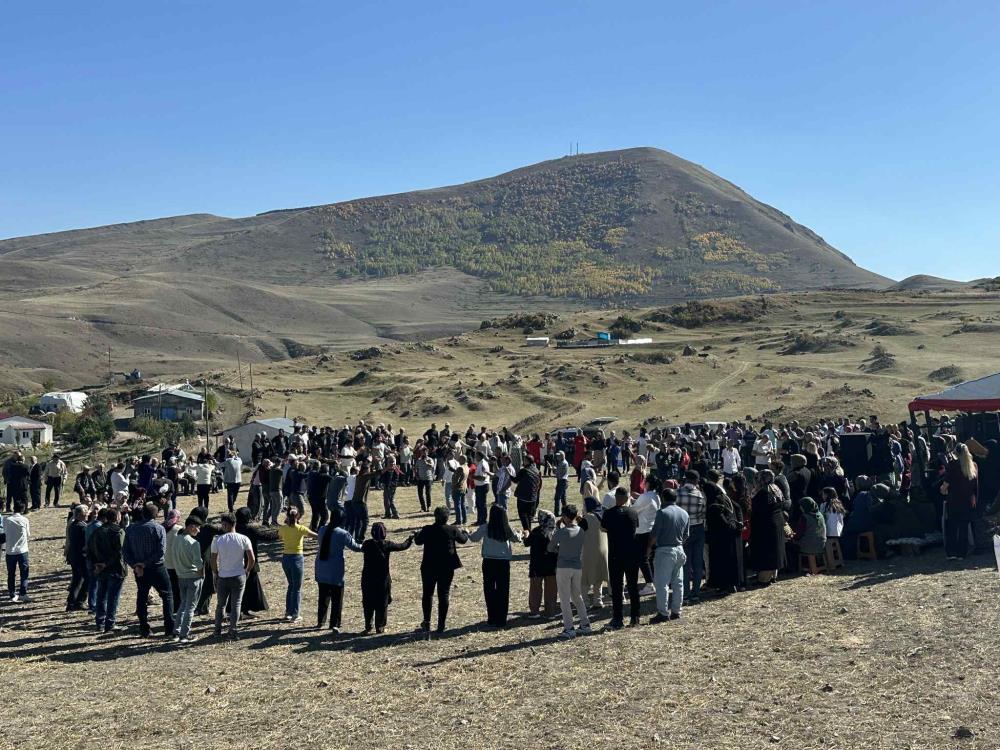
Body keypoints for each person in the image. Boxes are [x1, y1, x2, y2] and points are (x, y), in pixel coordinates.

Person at [414, 506, 469, 634]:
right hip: (446, 567)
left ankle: (427, 622)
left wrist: (417, 534)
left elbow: (418, 541)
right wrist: (466, 532)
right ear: (447, 517)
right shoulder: (452, 530)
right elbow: (463, 540)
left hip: (429, 566)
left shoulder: (427, 529)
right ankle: (441, 625)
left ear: (435, 516)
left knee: (427, 594)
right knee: (443, 594)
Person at [123, 501, 175, 637]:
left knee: (142, 596)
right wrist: (145, 564)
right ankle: (169, 628)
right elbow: (161, 551)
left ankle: (144, 628)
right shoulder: (158, 528)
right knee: (167, 596)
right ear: (156, 515)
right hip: (157, 567)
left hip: (139, 570)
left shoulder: (131, 529)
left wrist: (136, 565)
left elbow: (126, 552)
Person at [469, 502, 521, 629]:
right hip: (503, 563)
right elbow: (517, 539)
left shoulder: (486, 527)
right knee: (503, 590)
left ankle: (491, 618)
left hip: (489, 562)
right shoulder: (507, 528)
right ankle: (501, 619)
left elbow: (474, 538)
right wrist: (520, 533)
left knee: (489, 590)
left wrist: (467, 532)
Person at [315, 507, 362, 634]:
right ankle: (334, 623)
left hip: (321, 568)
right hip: (335, 571)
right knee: (337, 598)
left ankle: (320, 621)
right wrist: (367, 545)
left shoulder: (322, 529)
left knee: (323, 596)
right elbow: (356, 547)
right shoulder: (342, 534)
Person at [360, 522, 413, 634]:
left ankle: (368, 626)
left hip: (368, 578)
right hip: (382, 578)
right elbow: (402, 546)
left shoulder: (367, 544)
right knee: (382, 602)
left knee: (368, 602)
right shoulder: (387, 545)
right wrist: (409, 539)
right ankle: (380, 626)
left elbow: (361, 548)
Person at [548, 504, 591, 638]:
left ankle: (569, 627)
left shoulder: (561, 532)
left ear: (565, 517)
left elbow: (550, 548)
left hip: (563, 567)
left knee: (565, 599)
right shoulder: (581, 531)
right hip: (577, 567)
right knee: (577, 596)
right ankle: (585, 624)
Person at [210, 512, 255, 639]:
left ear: (225, 525)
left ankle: (217, 630)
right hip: (239, 575)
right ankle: (233, 630)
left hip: (223, 575)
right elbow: (251, 559)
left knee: (221, 605)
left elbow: (213, 559)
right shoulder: (244, 539)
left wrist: (215, 572)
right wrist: (247, 570)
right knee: (236, 604)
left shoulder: (217, 540)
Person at [648, 487, 689, 622]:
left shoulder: (662, 513)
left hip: (665, 551)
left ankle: (663, 612)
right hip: (679, 549)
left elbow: (654, 535)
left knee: (662, 584)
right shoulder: (684, 513)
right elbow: (686, 535)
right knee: (678, 583)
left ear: (663, 498)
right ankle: (676, 611)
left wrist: (648, 549)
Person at [601, 487, 641, 628]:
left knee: (617, 588)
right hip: (631, 553)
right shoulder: (633, 512)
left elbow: (603, 529)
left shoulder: (609, 513)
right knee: (633, 586)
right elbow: (636, 527)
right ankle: (635, 617)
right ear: (627, 498)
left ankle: (618, 618)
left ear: (616, 498)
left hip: (615, 555)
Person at [88, 507, 126, 633]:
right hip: (115, 569)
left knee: (101, 595)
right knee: (113, 597)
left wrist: (96, 564)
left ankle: (100, 622)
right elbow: (120, 552)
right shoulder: (118, 531)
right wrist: (105, 564)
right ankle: (110, 623)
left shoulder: (97, 531)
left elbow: (90, 549)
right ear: (116, 518)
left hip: (101, 568)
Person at [278, 507, 318, 623]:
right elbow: (315, 536)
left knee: (291, 585)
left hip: (285, 558)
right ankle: (295, 614)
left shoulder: (283, 528)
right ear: (298, 516)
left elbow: (280, 538)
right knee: (297, 588)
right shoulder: (301, 529)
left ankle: (288, 612)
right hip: (297, 559)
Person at [749, 471, 790, 585]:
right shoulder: (776, 489)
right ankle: (773, 575)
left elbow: (758, 510)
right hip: (777, 521)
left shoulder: (763, 492)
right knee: (775, 549)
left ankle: (764, 579)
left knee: (766, 551)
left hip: (765, 525)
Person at [704, 482, 744, 595]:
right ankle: (733, 584)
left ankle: (725, 586)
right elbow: (737, 507)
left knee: (722, 562)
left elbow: (721, 519)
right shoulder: (725, 497)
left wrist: (730, 526)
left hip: (721, 537)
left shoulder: (714, 502)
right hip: (731, 534)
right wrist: (738, 524)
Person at [944, 443, 979, 560]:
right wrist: (974, 496)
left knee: (952, 526)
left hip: (953, 499)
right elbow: (975, 485)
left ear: (956, 452)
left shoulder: (952, 465)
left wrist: (942, 490)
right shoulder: (973, 466)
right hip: (967, 500)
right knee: (963, 527)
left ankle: (951, 552)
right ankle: (962, 553)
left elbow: (946, 483)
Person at [173, 515, 205, 642]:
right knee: (190, 607)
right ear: (191, 527)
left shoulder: (176, 539)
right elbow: (198, 563)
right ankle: (184, 634)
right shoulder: (194, 543)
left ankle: (176, 631)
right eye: (197, 527)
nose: (199, 530)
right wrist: (202, 575)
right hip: (193, 577)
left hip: (181, 576)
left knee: (183, 604)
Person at [676, 470, 706, 603]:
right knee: (697, 561)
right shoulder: (700, 495)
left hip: (683, 529)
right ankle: (696, 593)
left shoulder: (677, 493)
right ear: (696, 481)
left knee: (685, 563)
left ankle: (686, 593)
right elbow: (703, 513)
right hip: (698, 528)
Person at [234, 507, 269, 617]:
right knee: (250, 587)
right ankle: (245, 609)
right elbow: (265, 536)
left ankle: (235, 610)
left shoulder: (234, 528)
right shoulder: (250, 530)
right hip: (250, 562)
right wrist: (280, 534)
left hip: (235, 562)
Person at [523, 509, 558, 618]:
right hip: (552, 565)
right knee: (551, 590)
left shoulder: (536, 531)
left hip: (537, 565)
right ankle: (550, 612)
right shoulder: (556, 531)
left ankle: (535, 611)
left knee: (535, 589)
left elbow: (527, 543)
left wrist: (526, 534)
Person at [632, 475, 661, 595]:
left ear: (647, 483)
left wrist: (632, 502)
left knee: (642, 558)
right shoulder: (656, 496)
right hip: (652, 529)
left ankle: (649, 584)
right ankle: (653, 581)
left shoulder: (645, 496)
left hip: (643, 530)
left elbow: (634, 510)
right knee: (650, 558)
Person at [580, 496, 609, 609]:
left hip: (589, 551)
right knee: (599, 577)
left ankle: (585, 602)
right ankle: (598, 600)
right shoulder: (603, 515)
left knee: (584, 579)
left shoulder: (588, 518)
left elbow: (578, 532)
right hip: (604, 551)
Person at [4, 501, 30, 602]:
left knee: (11, 574)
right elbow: (28, 534)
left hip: (10, 551)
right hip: (22, 550)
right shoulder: (25, 520)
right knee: (24, 573)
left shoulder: (6, 520)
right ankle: (23, 593)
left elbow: (4, 532)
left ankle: (12, 594)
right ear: (22, 509)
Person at [65, 505, 89, 611]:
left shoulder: (73, 525)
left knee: (77, 579)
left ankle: (72, 602)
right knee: (86, 579)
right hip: (80, 557)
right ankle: (78, 601)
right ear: (79, 514)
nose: (87, 514)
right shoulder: (81, 527)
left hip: (74, 557)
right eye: (85, 512)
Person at [793, 497, 828, 564]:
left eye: (801, 506)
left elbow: (799, 535)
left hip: (809, 546)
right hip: (821, 545)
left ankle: (797, 566)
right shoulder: (820, 515)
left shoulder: (805, 517)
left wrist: (792, 537)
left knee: (790, 546)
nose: (800, 508)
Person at [163, 508, 183, 615]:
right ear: (178, 518)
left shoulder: (162, 527)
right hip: (176, 564)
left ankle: (170, 608)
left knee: (169, 588)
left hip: (165, 563)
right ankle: (177, 608)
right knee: (177, 589)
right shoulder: (179, 530)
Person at [451, 456, 470, 526]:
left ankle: (459, 520)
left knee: (457, 505)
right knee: (462, 504)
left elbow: (456, 479)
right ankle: (464, 519)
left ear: (463, 460)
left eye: (460, 459)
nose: (458, 460)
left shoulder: (460, 468)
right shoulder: (467, 467)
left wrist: (453, 486)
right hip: (464, 487)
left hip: (458, 488)